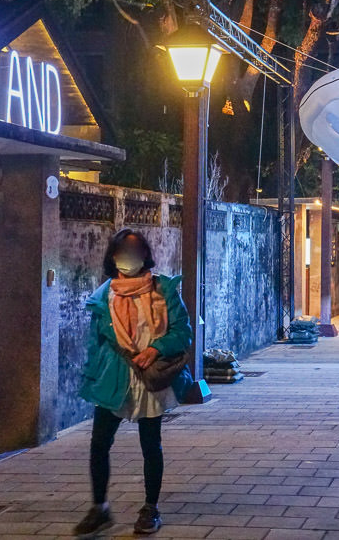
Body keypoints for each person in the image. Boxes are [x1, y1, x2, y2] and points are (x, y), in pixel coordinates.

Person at [74, 228, 192, 537]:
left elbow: (182, 331)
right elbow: (94, 343)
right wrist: (92, 375)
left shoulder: (163, 289)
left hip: (150, 379)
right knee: (99, 443)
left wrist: (156, 349)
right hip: (114, 378)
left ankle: (150, 509)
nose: (129, 258)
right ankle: (99, 508)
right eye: (123, 253)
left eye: (135, 252)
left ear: (145, 255)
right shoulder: (104, 297)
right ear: (113, 257)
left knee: (150, 444)